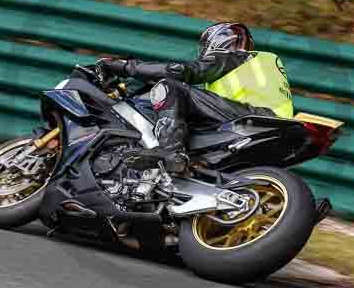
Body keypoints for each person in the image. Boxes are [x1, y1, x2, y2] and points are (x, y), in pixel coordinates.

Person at [97, 22, 293, 174]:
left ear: (219, 41)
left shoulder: (234, 58)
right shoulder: (260, 63)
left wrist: (125, 67)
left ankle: (172, 154)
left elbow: (181, 71)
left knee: (170, 87)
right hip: (267, 121)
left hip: (254, 116)